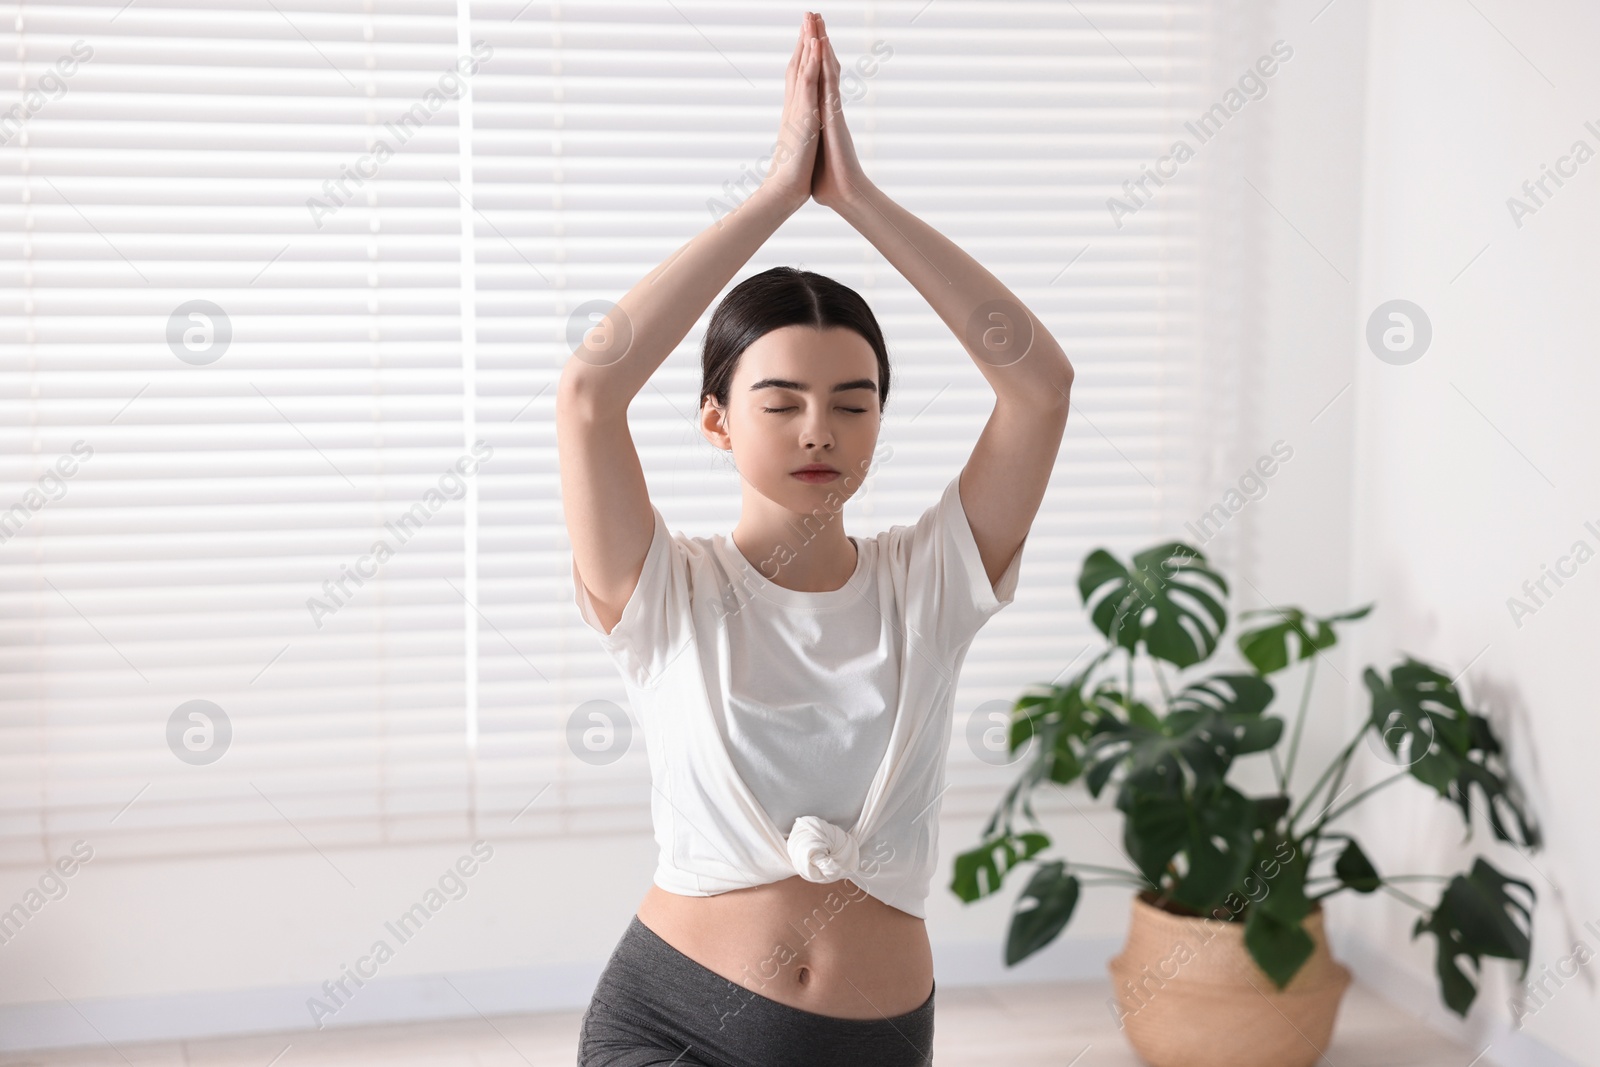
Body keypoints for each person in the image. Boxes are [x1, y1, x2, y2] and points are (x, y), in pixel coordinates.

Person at [558, 11, 1074, 1066]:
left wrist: (857, 201)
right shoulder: (662, 591)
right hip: (668, 1021)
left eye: (853, 402)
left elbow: (1039, 384)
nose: (817, 431)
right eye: (780, 400)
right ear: (715, 418)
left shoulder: (929, 581)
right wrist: (771, 195)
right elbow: (587, 390)